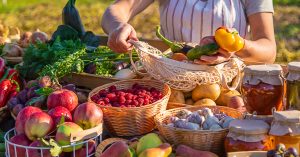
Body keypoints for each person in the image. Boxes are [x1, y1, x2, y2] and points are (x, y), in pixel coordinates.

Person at [101, 0, 276, 64]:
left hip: (224, 90)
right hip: (171, 82)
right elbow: (118, 9)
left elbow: (268, 49)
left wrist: (237, 45)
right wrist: (117, 26)